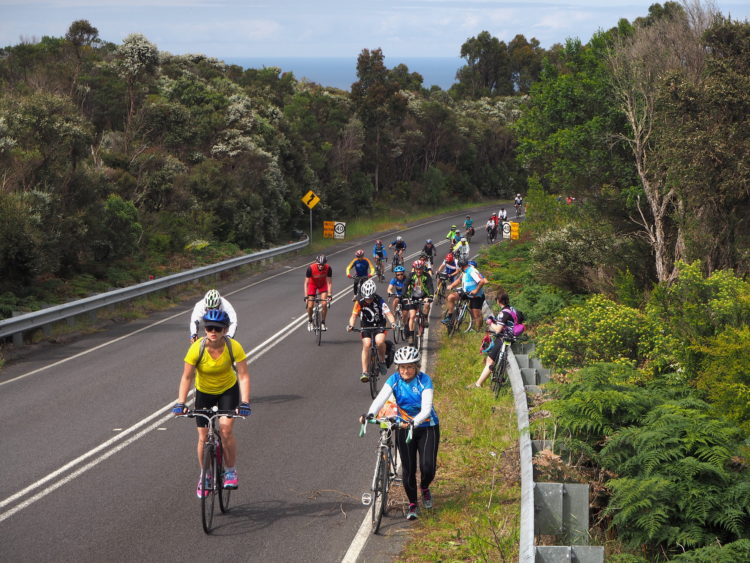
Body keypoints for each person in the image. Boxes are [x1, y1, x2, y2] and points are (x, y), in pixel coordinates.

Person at [173, 309, 251, 496]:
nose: (213, 332)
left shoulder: (234, 347)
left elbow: (243, 376)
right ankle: (205, 475)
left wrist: (245, 402)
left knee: (226, 431)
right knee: (202, 437)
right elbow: (187, 377)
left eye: (217, 328)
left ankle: (230, 470)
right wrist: (181, 402)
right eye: (209, 328)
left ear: (225, 330)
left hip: (227, 391)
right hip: (204, 393)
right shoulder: (196, 348)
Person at [359, 345, 440, 521]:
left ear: (417, 367)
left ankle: (424, 487)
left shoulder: (424, 381)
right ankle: (412, 504)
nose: (405, 371)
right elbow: (380, 399)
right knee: (408, 469)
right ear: (398, 368)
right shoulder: (394, 380)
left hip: (427, 426)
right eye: (402, 367)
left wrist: (414, 422)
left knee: (428, 467)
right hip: (404, 427)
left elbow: (426, 409)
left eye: (410, 367)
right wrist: (370, 414)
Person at [347, 279, 397, 383]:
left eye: (370, 298)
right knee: (367, 344)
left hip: (380, 324)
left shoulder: (379, 300)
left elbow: (388, 314)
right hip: (366, 325)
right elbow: (354, 316)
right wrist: (351, 325)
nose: (368, 300)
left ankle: (382, 360)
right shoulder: (359, 302)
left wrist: (393, 323)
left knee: (379, 341)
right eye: (366, 298)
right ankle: (365, 372)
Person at [468, 292, 518, 389]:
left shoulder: (503, 313)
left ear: (498, 301)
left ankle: (478, 384)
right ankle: (481, 382)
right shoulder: (512, 309)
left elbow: (498, 329)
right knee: (492, 360)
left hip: (504, 338)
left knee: (490, 361)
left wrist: (490, 323)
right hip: (513, 337)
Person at [442, 258, 486, 329]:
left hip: (475, 295)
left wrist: (475, 291)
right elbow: (459, 280)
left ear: (461, 266)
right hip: (466, 292)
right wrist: (451, 286)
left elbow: (482, 281)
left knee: (476, 315)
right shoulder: (464, 271)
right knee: (451, 297)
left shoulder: (472, 271)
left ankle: (478, 330)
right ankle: (449, 317)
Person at [403, 260, 434, 344]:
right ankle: (411, 335)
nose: (418, 271)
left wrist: (431, 296)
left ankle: (425, 318)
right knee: (412, 316)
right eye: (417, 269)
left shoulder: (426, 276)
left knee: (426, 304)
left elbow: (430, 286)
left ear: (423, 269)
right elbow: (405, 285)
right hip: (413, 297)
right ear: (414, 269)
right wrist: (404, 296)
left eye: (420, 269)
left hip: (424, 295)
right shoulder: (411, 276)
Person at [304, 254, 333, 332]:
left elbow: (329, 282)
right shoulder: (310, 268)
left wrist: (329, 294)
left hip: (322, 285)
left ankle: (323, 322)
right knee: (310, 306)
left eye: (322, 264)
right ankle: (310, 320)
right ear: (316, 263)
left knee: (324, 304)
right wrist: (306, 296)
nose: (321, 266)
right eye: (319, 264)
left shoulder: (328, 268)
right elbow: (306, 283)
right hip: (312, 285)